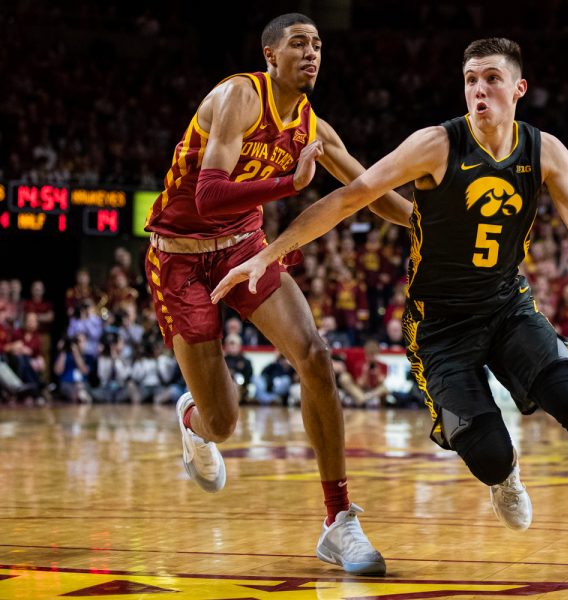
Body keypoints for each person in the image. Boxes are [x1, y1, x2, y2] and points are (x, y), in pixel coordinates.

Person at [213, 37, 568, 591]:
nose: (479, 89)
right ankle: (504, 475)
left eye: (491, 78)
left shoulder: (546, 151)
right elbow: (351, 196)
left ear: (518, 89)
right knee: (491, 455)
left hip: (507, 307)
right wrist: (268, 255)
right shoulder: (436, 144)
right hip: (439, 327)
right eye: (470, 79)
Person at [142, 13, 411, 575]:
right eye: (298, 43)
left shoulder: (313, 127)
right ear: (270, 54)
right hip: (181, 260)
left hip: (245, 248)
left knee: (315, 356)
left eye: (317, 44)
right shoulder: (238, 96)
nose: (311, 52)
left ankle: (339, 521)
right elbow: (211, 194)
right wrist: (289, 184)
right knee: (223, 423)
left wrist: (424, 224)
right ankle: (194, 421)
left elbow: (369, 191)